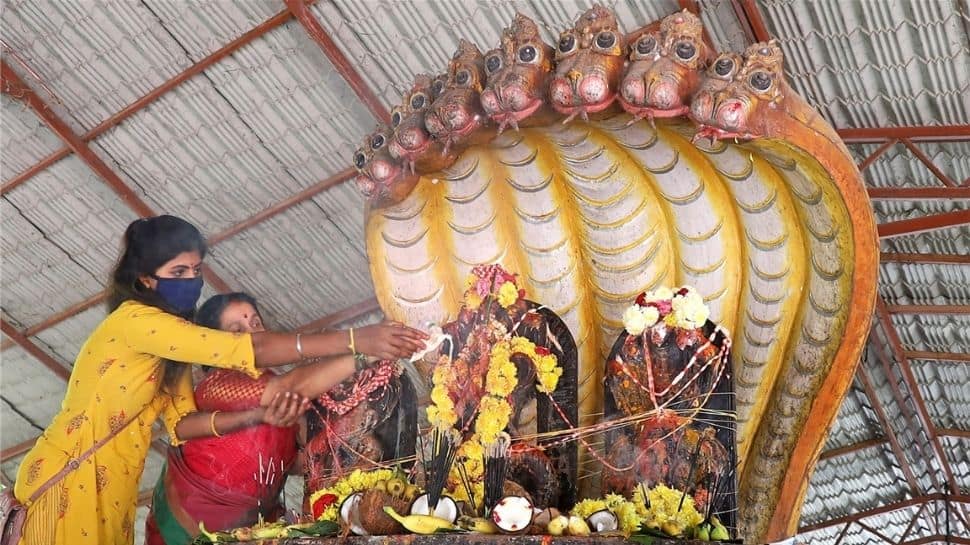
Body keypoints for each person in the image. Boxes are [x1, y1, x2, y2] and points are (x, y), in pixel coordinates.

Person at [13, 215, 427, 545]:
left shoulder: (170, 358)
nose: (191, 280)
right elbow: (255, 353)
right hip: (71, 478)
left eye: (196, 269)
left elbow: (180, 425)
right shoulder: (135, 322)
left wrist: (254, 419)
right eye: (178, 271)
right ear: (145, 281)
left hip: (117, 493)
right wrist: (358, 341)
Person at [144, 292, 361, 544]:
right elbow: (290, 386)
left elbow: (291, 464)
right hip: (186, 529)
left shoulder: (270, 392)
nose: (252, 334)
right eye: (237, 331)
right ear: (213, 347)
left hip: (251, 529)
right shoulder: (217, 385)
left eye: (255, 324)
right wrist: (363, 354)